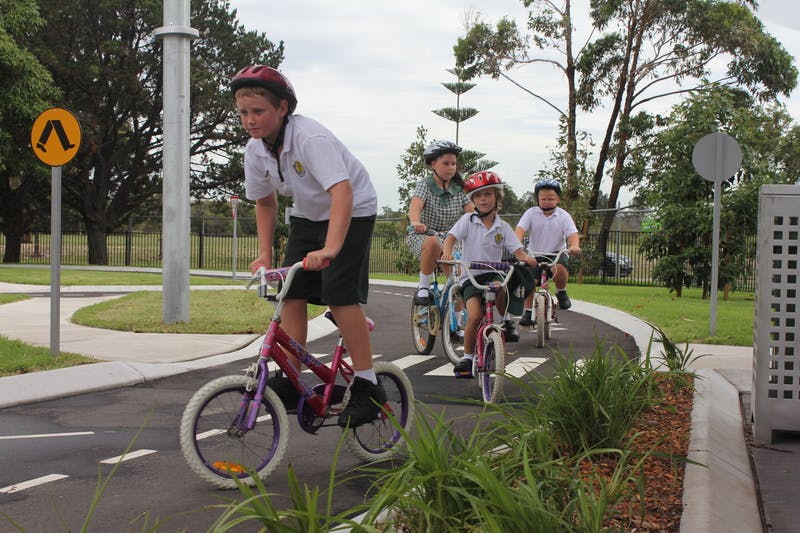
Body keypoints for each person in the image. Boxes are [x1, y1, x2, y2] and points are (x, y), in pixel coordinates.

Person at [232, 64, 384, 427]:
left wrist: (332, 249)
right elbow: (266, 202)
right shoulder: (255, 151)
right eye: (243, 113)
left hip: (353, 210)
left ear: (283, 108)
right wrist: (265, 254)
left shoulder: (309, 139)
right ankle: (294, 379)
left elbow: (342, 192)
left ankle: (368, 384)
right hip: (306, 215)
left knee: (338, 292)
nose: (250, 120)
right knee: (291, 291)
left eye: (258, 111)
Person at [441, 171, 538, 378]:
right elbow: (450, 238)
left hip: (492, 273)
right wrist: (447, 251)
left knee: (500, 288)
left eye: (488, 194)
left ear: (497, 197)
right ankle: (467, 358)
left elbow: (517, 250)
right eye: (478, 196)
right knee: (475, 315)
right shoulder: (467, 220)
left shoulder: (503, 227)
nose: (483, 199)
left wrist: (526, 257)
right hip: (471, 277)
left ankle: (505, 320)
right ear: (473, 200)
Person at [406, 140, 473, 305]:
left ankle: (456, 324)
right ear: (433, 164)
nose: (451, 167)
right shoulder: (425, 185)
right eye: (446, 163)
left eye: (453, 164)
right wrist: (415, 221)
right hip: (424, 234)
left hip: (450, 238)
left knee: (459, 277)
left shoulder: (460, 189)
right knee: (433, 243)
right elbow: (416, 205)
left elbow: (472, 213)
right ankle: (423, 287)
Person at [514, 178, 581, 326]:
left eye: (551, 198)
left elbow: (572, 234)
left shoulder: (563, 215)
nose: (547, 201)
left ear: (558, 198)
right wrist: (516, 243)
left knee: (560, 269)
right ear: (537, 198)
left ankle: (561, 292)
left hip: (556, 253)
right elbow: (520, 230)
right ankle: (528, 311)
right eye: (543, 198)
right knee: (529, 282)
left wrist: (574, 245)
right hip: (534, 253)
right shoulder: (531, 213)